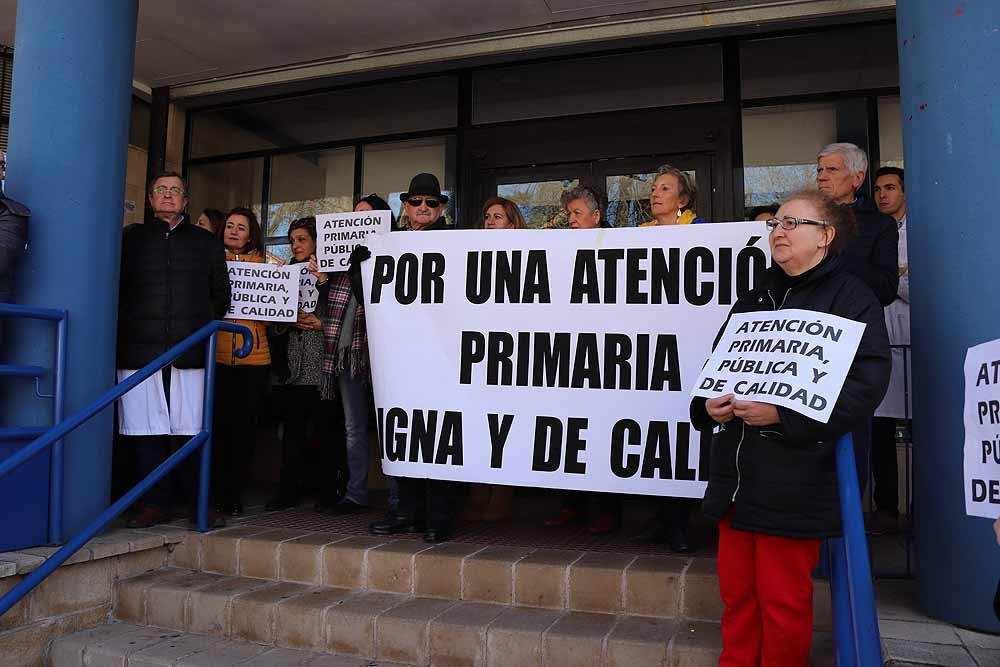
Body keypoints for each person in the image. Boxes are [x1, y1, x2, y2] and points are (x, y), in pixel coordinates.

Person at [691, 190, 890, 666]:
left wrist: (784, 415)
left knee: (782, 603)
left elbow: (867, 384)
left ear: (825, 237)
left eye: (791, 223)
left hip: (795, 478)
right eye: (775, 223)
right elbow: (718, 370)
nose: (777, 231)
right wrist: (708, 407)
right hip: (736, 477)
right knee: (738, 598)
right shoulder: (755, 298)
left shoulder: (851, 299)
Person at [118, 172, 231, 529]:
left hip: (189, 349)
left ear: (186, 200)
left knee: (191, 429)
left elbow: (221, 295)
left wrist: (194, 328)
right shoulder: (129, 240)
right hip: (139, 347)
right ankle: (154, 503)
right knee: (143, 430)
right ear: (151, 199)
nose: (168, 196)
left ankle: (197, 502)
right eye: (161, 191)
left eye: (175, 191)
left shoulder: (206, 242)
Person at [369, 173, 458, 542]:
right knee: (403, 432)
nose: (423, 208)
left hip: (443, 356)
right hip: (400, 356)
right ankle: (404, 510)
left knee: (439, 434)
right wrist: (363, 266)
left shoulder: (458, 242)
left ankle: (438, 517)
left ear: (440, 209)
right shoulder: (389, 244)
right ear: (405, 206)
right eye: (416, 202)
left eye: (431, 203)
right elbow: (371, 298)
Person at [816, 142, 898, 490]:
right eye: (819, 170)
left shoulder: (879, 226)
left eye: (831, 170)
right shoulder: (800, 219)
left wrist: (834, 260)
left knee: (854, 443)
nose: (821, 177)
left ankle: (849, 530)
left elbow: (886, 287)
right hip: (804, 343)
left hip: (852, 348)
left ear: (857, 178)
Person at [543, 185, 622, 534]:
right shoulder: (558, 250)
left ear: (596, 217)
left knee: (603, 432)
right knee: (570, 433)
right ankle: (570, 504)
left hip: (604, 356)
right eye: (569, 214)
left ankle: (608, 509)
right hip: (567, 354)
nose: (571, 220)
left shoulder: (620, 248)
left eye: (577, 213)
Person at [319, 195, 395, 517]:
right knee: (354, 427)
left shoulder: (394, 254)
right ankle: (356, 494)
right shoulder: (337, 266)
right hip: (346, 356)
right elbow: (327, 312)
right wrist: (323, 280)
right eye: (355, 214)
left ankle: (398, 499)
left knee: (391, 427)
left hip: (382, 355)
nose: (358, 219)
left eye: (367, 215)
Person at [265, 216, 347, 512]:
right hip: (290, 367)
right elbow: (271, 324)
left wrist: (319, 324)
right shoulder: (284, 273)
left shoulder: (332, 274)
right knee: (292, 434)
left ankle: (327, 491)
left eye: (302, 239)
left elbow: (342, 318)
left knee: (324, 431)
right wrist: (285, 319)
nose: (295, 245)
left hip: (321, 365)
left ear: (315, 242)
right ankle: (287, 490)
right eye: (292, 240)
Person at [463, 197, 526, 523]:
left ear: (513, 224)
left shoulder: (529, 258)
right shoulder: (471, 255)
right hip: (478, 352)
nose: (489, 221)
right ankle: (477, 489)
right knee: (477, 420)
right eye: (487, 216)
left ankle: (502, 493)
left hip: (511, 353)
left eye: (498, 217)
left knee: (504, 425)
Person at [212, 207, 272, 516]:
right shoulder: (210, 262)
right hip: (216, 358)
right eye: (230, 225)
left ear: (252, 235)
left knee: (244, 432)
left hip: (254, 360)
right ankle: (215, 493)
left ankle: (233, 495)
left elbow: (280, 311)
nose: (234, 231)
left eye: (242, 227)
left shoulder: (267, 265)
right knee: (218, 429)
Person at [871, 166, 910, 531]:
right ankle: (885, 507)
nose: (883, 195)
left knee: (917, 426)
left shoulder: (917, 230)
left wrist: (893, 279)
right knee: (880, 429)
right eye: (879, 188)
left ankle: (918, 507)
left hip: (911, 341)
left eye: (891, 188)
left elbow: (921, 288)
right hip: (881, 337)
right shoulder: (872, 230)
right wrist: (894, 273)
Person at [640, 164, 706, 226]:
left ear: (682, 200)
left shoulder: (699, 228)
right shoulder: (641, 232)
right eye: (653, 189)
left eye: (664, 188)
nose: (654, 194)